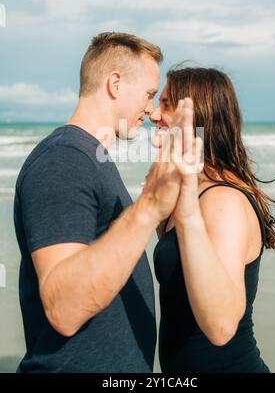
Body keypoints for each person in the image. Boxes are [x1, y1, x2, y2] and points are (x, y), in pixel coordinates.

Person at [13, 32, 187, 373]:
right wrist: (149, 206)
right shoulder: (63, 159)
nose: (151, 111)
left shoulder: (91, 158)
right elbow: (64, 308)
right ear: (116, 84)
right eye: (149, 95)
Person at [151, 66, 275, 373]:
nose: (153, 115)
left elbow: (220, 327)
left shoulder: (223, 201)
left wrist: (185, 211)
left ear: (197, 117)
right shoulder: (193, 189)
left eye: (165, 104)